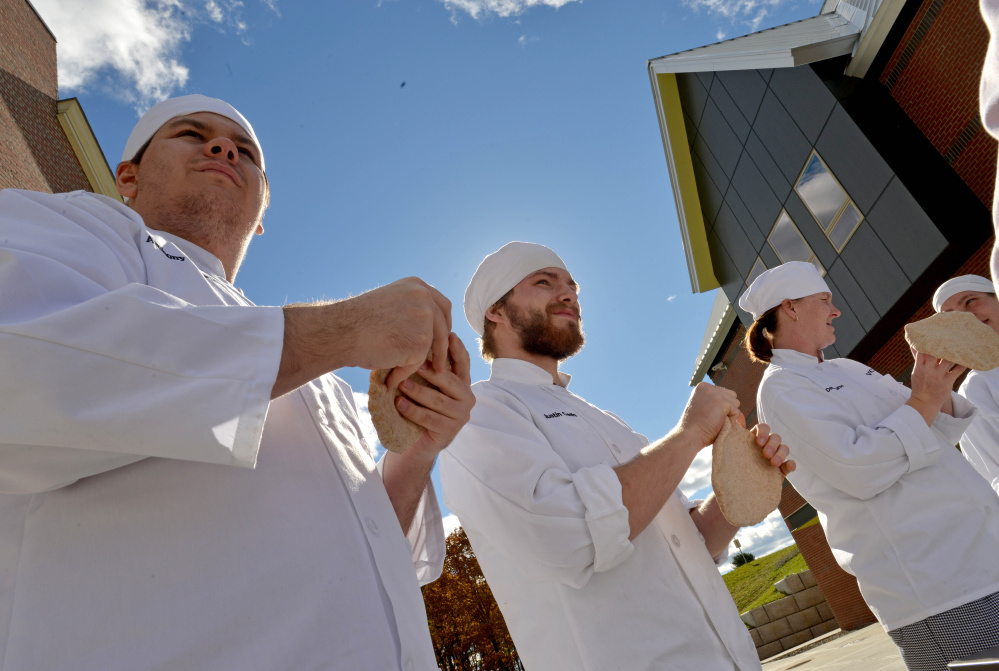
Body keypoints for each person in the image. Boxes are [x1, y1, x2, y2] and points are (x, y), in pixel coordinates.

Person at [0, 94, 475, 670]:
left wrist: (418, 450)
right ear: (128, 175)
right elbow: (22, 371)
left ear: (261, 210)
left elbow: (375, 559)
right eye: (191, 134)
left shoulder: (319, 388)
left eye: (244, 150)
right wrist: (337, 333)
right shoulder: (70, 226)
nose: (223, 147)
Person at [439, 241, 794, 671]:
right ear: (495, 311)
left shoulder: (606, 421)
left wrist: (744, 481)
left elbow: (695, 540)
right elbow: (573, 537)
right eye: (543, 282)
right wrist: (689, 435)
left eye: (571, 284)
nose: (569, 293)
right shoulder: (480, 415)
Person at [746, 261, 999, 671]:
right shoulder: (781, 389)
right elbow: (859, 471)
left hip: (982, 556)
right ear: (790, 308)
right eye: (824, 300)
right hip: (937, 585)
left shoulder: (847, 369)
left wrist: (939, 384)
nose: (836, 310)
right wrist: (922, 399)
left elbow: (937, 433)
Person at [934, 274, 999, 494]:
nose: (966, 318)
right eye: (952, 317)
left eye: (970, 301)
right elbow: (994, 475)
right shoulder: (977, 389)